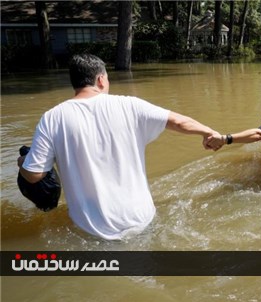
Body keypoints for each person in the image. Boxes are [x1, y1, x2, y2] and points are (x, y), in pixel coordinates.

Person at [17, 54, 220, 240]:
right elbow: (178, 121)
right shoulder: (130, 105)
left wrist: (23, 162)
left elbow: (34, 175)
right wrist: (209, 133)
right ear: (101, 79)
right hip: (142, 220)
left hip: (92, 230)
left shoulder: (53, 118)